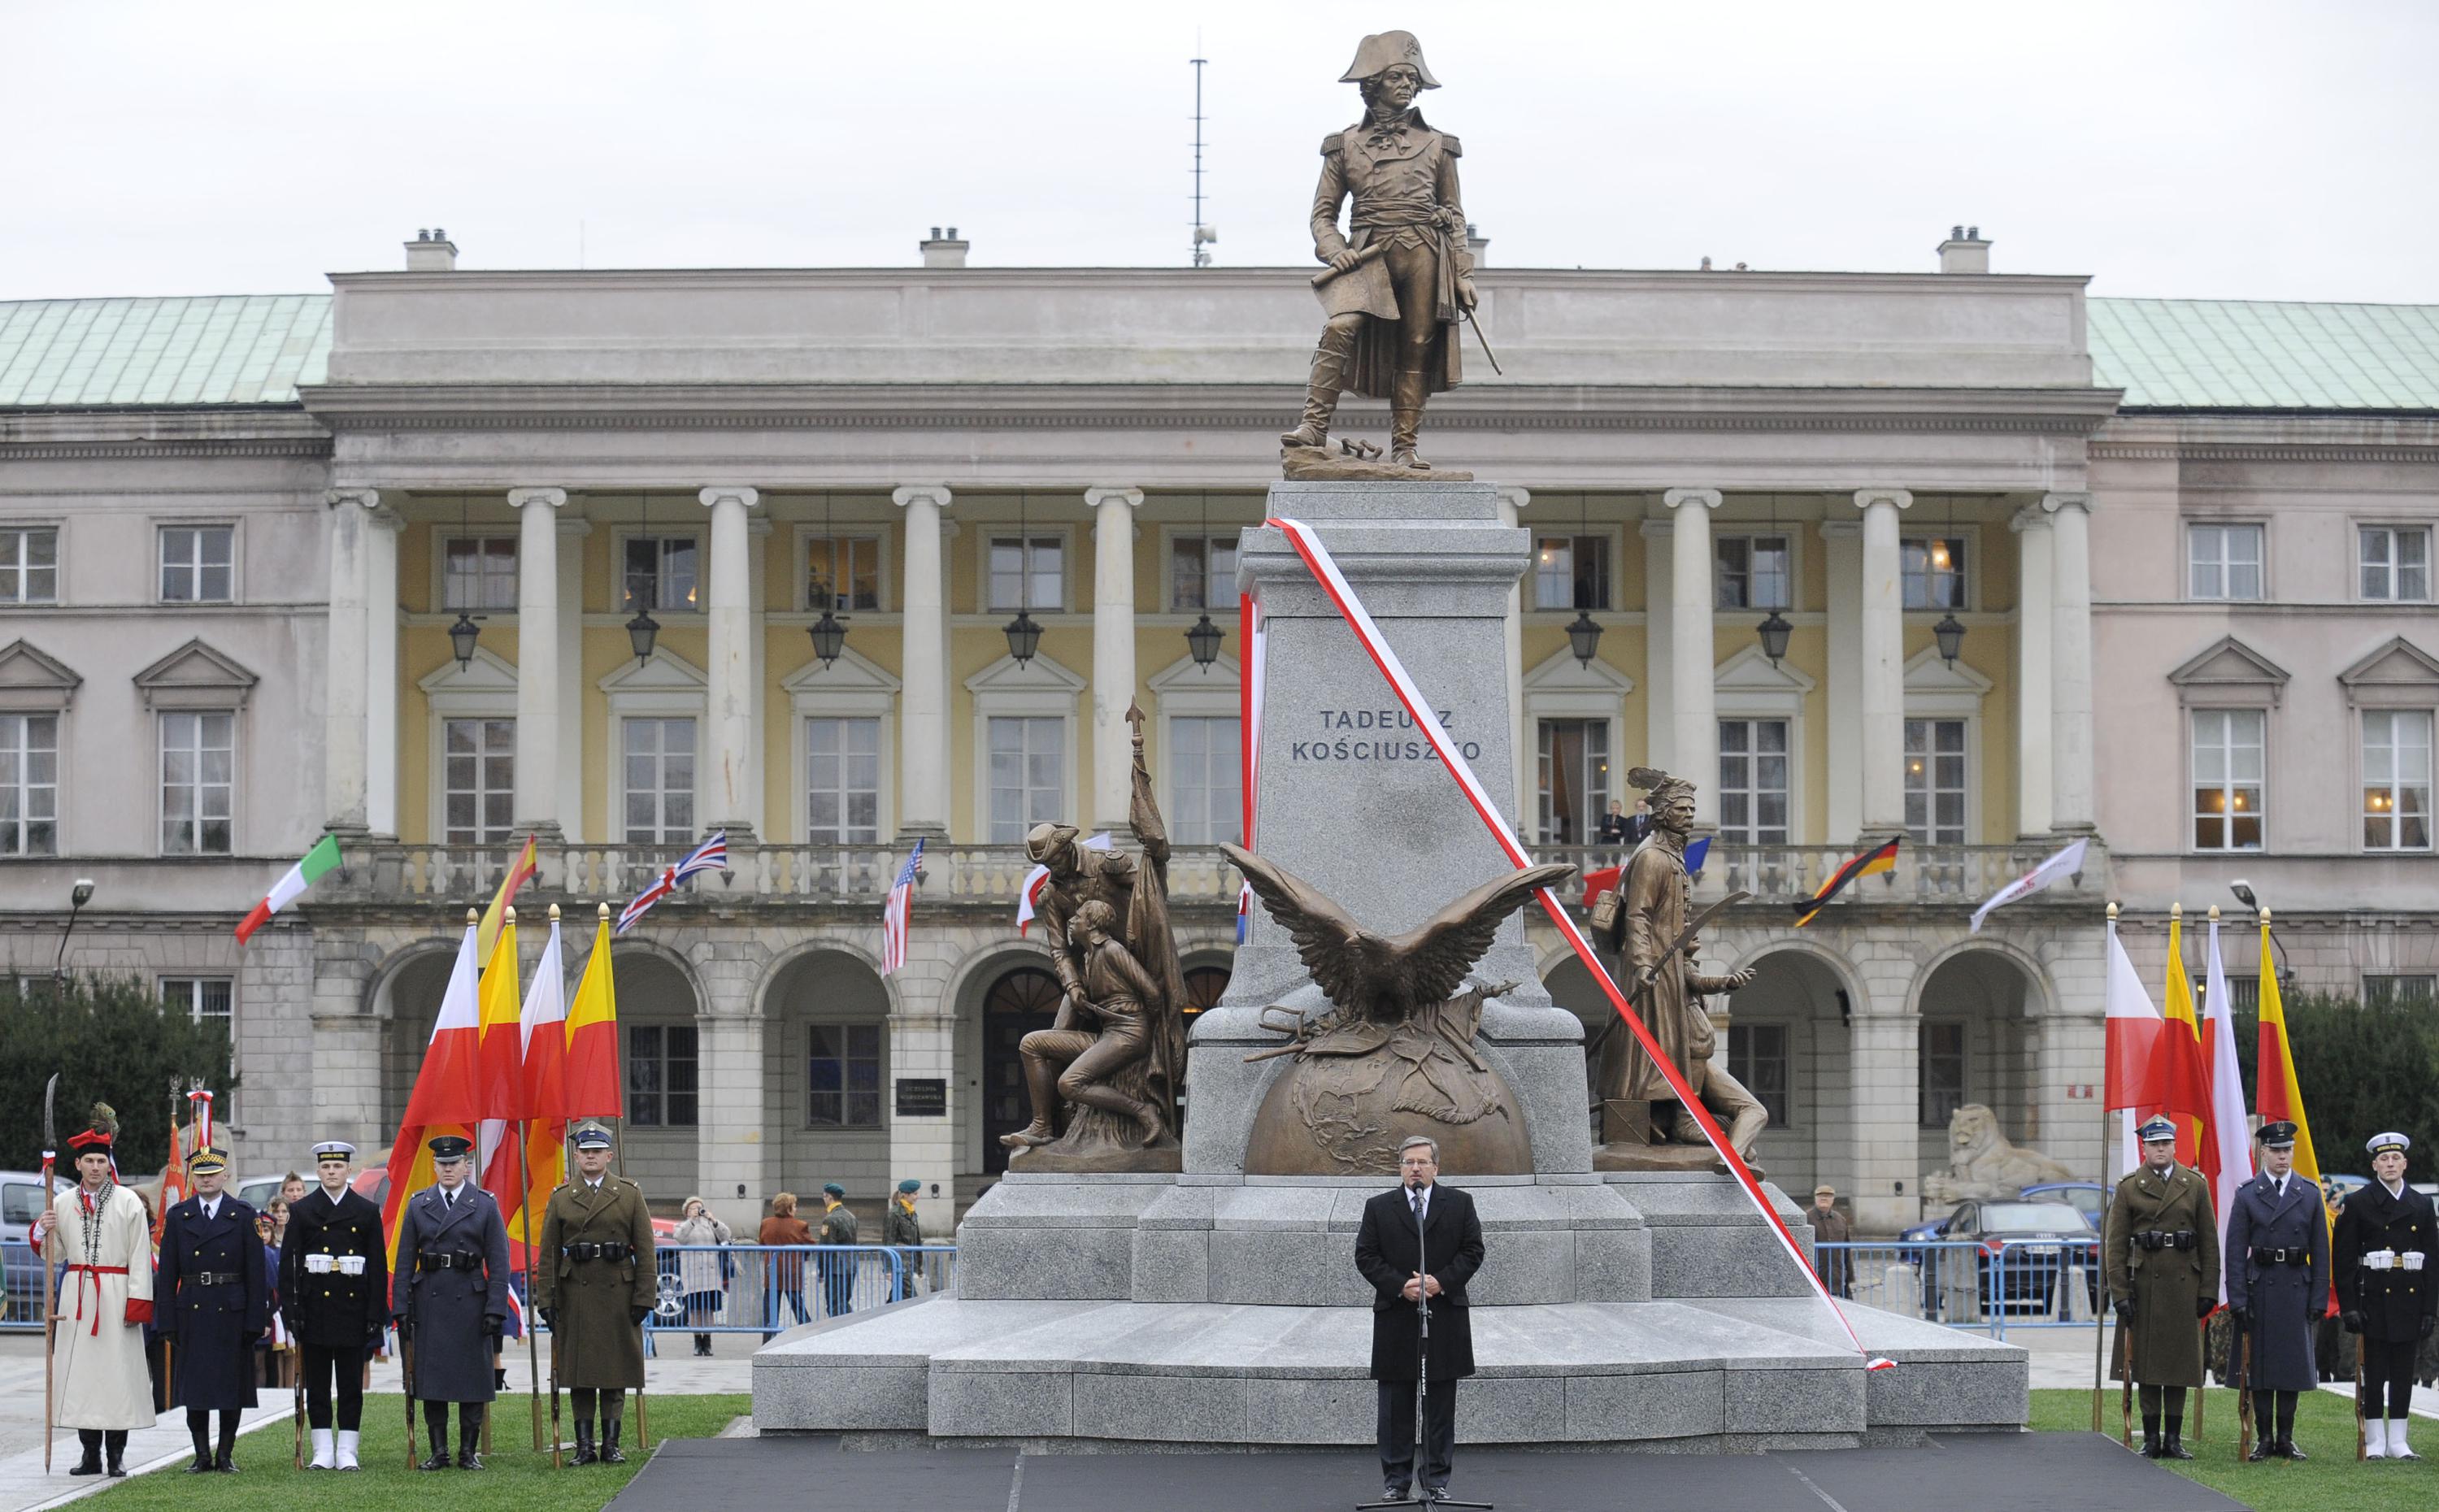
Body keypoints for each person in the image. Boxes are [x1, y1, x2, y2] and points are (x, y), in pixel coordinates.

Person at [1281, 30, 1476, 469]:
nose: (1408, 84)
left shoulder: (1439, 145)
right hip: (1368, 253)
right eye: (1397, 77)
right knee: (1340, 327)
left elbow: (1454, 211)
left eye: (1413, 78)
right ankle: (1313, 426)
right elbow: (1322, 215)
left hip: (1424, 251)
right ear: (1373, 83)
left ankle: (1405, 448)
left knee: (1417, 345)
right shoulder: (1344, 144)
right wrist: (1335, 251)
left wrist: (1463, 273)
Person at [1354, 1136, 1485, 1503]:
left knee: (1439, 1405)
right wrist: (1401, 1286)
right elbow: (1366, 1256)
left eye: (1422, 1162)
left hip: (1443, 1317)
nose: (1415, 1168)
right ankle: (1396, 1482)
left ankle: (1436, 1481)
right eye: (1409, 1161)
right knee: (1396, 1406)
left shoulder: (1459, 1204)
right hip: (1396, 1317)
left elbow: (1473, 1250)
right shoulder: (1379, 1207)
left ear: (1435, 1168)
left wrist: (1440, 1281)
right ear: (1400, 1167)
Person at [36, 1106, 154, 1478]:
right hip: (78, 1298)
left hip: (116, 1295)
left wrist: (137, 1302)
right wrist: (43, 1228)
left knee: (116, 1377)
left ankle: (116, 1455)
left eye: (101, 1160)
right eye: (89, 1160)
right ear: (78, 1164)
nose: (96, 1167)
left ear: (108, 1163)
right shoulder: (61, 1203)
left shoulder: (128, 1202)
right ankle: (90, 1454)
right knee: (83, 1377)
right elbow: (54, 1255)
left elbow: (139, 1254)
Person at [535, 1122, 654, 1466]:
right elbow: (549, 1254)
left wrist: (644, 1297)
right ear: (576, 1156)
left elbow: (645, 1249)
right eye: (585, 1151)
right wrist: (547, 1300)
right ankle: (585, 1445)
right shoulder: (561, 1198)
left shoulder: (630, 1193)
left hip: (618, 1292)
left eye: (597, 1151)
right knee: (580, 1372)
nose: (590, 1156)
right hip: (577, 1293)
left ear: (609, 1155)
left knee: (615, 1372)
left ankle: (611, 1444)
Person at [2103, 1115, 2219, 1460]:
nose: (2160, 1149)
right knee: (2148, 1365)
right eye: (2154, 1144)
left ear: (2174, 1146)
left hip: (2185, 1284)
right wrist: (2120, 1294)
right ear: (2144, 1147)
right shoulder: (2128, 1188)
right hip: (2145, 1286)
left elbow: (2209, 1242)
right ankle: (2151, 1438)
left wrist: (2209, 1289)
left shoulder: (2195, 1184)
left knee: (2180, 1364)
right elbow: (2116, 1246)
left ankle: (2174, 1438)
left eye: (2166, 1144)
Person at [391, 1133, 509, 1471]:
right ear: (434, 1166)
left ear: (466, 1166)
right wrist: (401, 1306)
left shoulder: (485, 1204)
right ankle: (439, 1451)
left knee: (472, 1379)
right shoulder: (418, 1204)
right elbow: (404, 1260)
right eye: (442, 1164)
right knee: (432, 1379)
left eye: (454, 1163)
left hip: (471, 1300)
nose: (447, 1169)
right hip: (430, 1298)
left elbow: (498, 1262)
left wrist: (495, 1308)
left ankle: (467, 1452)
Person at [157, 1142, 270, 1473]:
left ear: (226, 1175)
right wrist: (166, 1319)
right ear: (193, 1177)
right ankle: (201, 1454)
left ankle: (225, 1454)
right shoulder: (180, 1216)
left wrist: (256, 1318)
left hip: (231, 1308)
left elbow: (256, 1273)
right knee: (197, 1387)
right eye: (201, 1174)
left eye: (213, 1174)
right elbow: (167, 1274)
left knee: (230, 1386)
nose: (206, 1180)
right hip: (192, 1307)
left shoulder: (244, 1215)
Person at [2227, 1120, 2328, 1461]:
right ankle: (2264, 1438)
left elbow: (2321, 1250)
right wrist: (2238, 1297)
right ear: (2264, 1153)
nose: (2283, 1157)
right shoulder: (2247, 1194)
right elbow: (2235, 1252)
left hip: (2296, 1286)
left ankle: (2286, 1438)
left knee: (2291, 1367)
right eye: (2276, 1151)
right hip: (2261, 1288)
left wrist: (2318, 1297)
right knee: (2261, 1368)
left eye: (2288, 1151)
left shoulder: (2309, 1193)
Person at [282, 1140, 385, 1471]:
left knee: (351, 1384)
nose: (332, 1172)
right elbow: (289, 1266)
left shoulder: (366, 1211)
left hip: (353, 1310)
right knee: (318, 1383)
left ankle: (348, 1449)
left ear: (348, 1170)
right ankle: (323, 1448)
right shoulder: (302, 1211)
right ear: (318, 1171)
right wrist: (291, 1310)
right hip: (315, 1310)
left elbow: (378, 1267)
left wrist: (374, 1314)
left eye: (338, 1166)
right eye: (326, 1167)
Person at [2334, 1132, 2436, 1460]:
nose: (2390, 1164)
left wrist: (2430, 1310)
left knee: (2405, 1371)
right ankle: (2376, 1439)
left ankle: (2399, 1441)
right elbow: (2345, 1258)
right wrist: (2348, 1306)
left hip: (2410, 1297)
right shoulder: (2359, 1202)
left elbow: (2432, 1260)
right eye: (2383, 1159)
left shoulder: (2421, 1205)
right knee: (2375, 1371)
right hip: (2373, 1298)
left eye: (2395, 1159)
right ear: (2374, 1164)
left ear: (2405, 1164)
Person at [671, 1197, 732, 1358]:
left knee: (708, 1310)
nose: (697, 1210)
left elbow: (726, 1235)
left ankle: (708, 1342)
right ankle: (697, 1342)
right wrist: (692, 1220)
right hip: (693, 1275)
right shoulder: (682, 1225)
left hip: (711, 1275)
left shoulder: (710, 1225)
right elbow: (679, 1237)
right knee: (695, 1310)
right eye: (693, 1208)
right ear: (686, 1211)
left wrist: (713, 1219)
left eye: (699, 1207)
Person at [759, 1193, 813, 1338]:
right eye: (794, 1206)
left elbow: (762, 1243)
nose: (795, 1209)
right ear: (789, 1208)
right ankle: (807, 1335)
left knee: (770, 1310)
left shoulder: (766, 1223)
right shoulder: (799, 1225)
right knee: (798, 1306)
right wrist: (804, 1257)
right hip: (791, 1271)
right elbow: (809, 1246)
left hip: (772, 1271)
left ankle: (768, 1340)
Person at [815, 1183, 859, 1318]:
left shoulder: (830, 1219)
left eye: (824, 1197)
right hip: (850, 1265)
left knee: (835, 1305)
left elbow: (825, 1247)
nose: (824, 1200)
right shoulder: (851, 1216)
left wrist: (822, 1271)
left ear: (829, 1197)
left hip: (835, 1268)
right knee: (843, 1302)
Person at [1806, 1186, 1852, 1298]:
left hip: (1836, 1278)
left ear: (1833, 1199)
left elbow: (1846, 1250)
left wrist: (1849, 1279)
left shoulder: (1840, 1220)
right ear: (1815, 1198)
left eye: (1828, 1196)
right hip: (1813, 1277)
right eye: (1821, 1196)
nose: (1824, 1198)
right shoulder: (1806, 1218)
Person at [883, 1179, 925, 1301]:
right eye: (915, 1194)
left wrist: (919, 1267)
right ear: (905, 1195)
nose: (917, 1197)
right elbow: (888, 1241)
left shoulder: (911, 1212)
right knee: (910, 1295)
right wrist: (889, 1269)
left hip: (909, 1260)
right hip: (899, 1261)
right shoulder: (894, 1214)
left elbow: (916, 1241)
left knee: (897, 1294)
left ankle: (884, 1317)